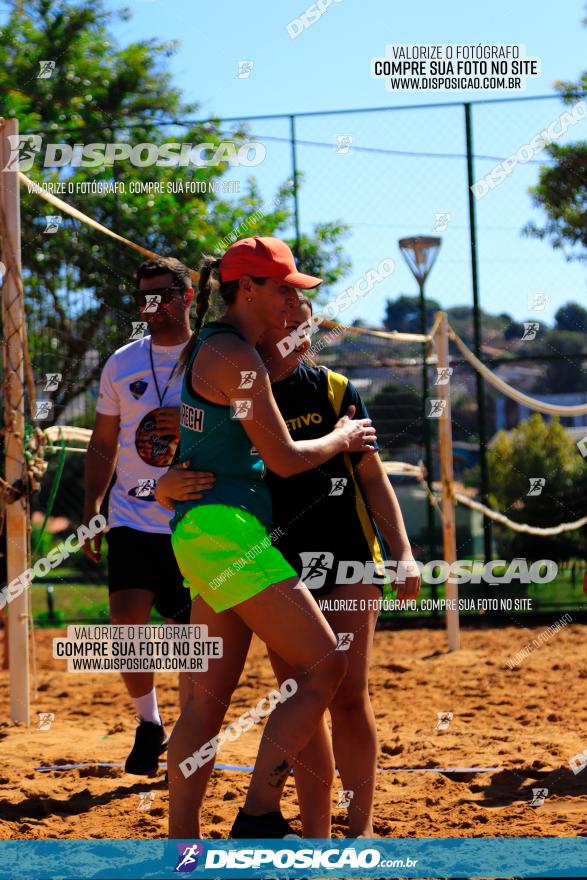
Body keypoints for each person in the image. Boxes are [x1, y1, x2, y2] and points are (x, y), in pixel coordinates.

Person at [157, 294, 420, 837]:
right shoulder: (233, 380)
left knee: (346, 694)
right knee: (306, 694)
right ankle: (312, 835)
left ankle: (359, 827)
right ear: (266, 325)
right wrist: (162, 487)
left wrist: (402, 553)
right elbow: (190, 463)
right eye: (291, 325)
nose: (299, 336)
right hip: (277, 557)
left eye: (306, 328)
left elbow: (371, 476)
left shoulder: (333, 389)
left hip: (346, 558)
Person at [82, 257, 213, 776]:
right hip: (132, 514)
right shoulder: (121, 362)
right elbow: (102, 442)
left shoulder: (213, 356)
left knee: (191, 641)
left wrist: (189, 423)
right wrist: (93, 507)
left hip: (196, 517)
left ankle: (189, 732)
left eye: (161, 295)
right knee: (125, 623)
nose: (151, 306)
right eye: (143, 298)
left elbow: (247, 426)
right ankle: (149, 724)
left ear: (186, 296)